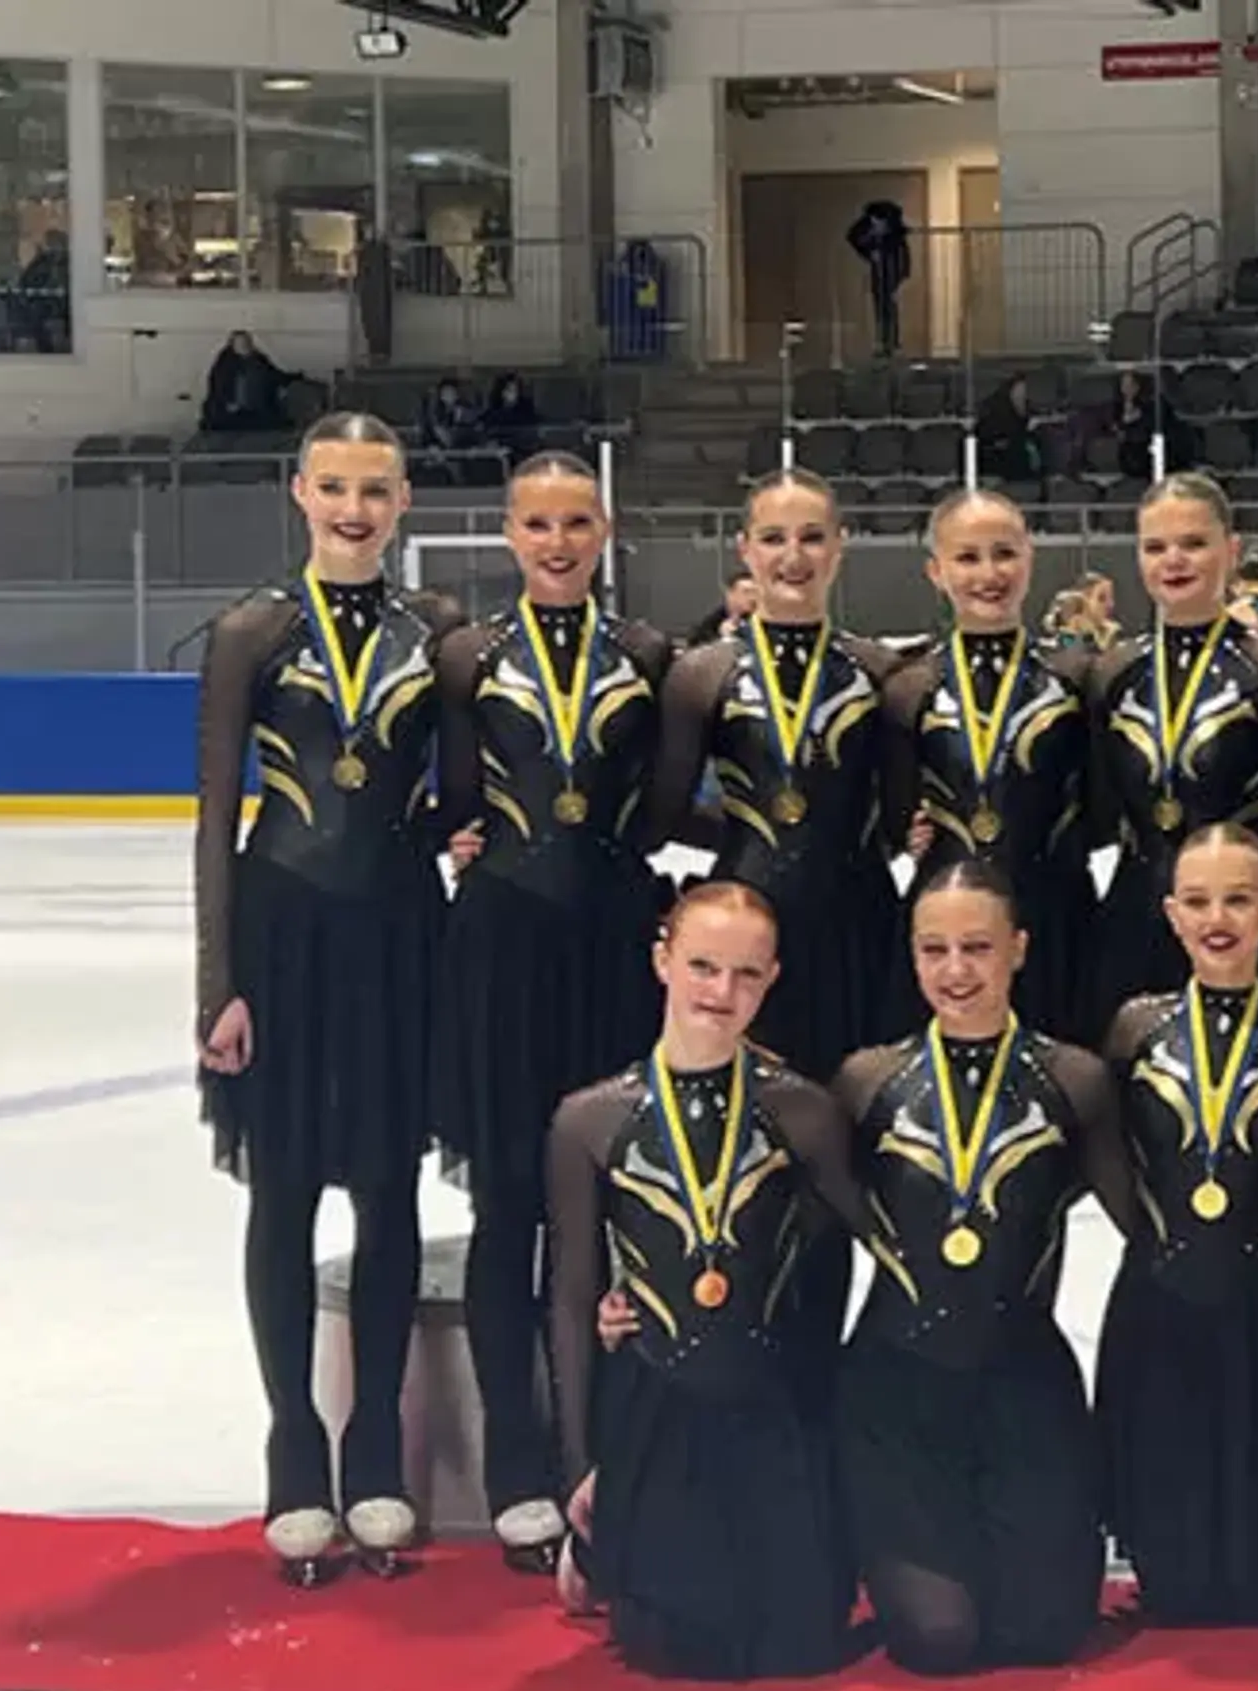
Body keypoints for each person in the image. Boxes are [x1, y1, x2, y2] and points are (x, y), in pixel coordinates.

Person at [193, 410, 462, 1585]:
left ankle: (377, 1456)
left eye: (378, 490)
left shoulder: (439, 633)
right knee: (288, 1194)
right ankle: (295, 1449)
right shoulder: (253, 631)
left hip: (403, 940)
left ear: (404, 503)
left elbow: (471, 784)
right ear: (298, 491)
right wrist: (220, 985)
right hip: (285, 937)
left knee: (391, 1194)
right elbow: (216, 822)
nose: (356, 509)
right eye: (336, 487)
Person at [429, 451, 674, 1572]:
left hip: (618, 950)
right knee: (509, 1211)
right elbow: (437, 794)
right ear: (509, 533)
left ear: (606, 528)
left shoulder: (651, 658)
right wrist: (444, 837)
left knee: (615, 1212)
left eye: (578, 521)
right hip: (502, 951)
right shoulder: (467, 659)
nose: (559, 541)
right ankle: (516, 1468)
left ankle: (608, 1443)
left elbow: (681, 801)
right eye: (538, 523)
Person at [546, 880, 886, 1680]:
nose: (721, 992)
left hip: (770, 1402)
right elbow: (568, 1297)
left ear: (772, 980)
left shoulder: (801, 1110)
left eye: (745, 974)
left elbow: (872, 1240)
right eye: (702, 965)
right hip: (658, 1403)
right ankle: (603, 1539)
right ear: (662, 959)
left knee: (798, 1648)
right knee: (670, 1652)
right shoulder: (592, 1119)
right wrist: (578, 1465)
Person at [828, 865, 1130, 1671]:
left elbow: (1149, 1224)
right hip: (898, 1394)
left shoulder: (1074, 1080)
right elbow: (809, 1232)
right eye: (935, 949)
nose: (955, 971)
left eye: (977, 948)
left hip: (1024, 1389)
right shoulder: (868, 1082)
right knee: (939, 1641)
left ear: (1018, 950)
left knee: (1042, 1636)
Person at [1096, 825, 1258, 1625]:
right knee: (1177, 1577)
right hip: (1158, 1299)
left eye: (1238, 898)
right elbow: (1116, 1162)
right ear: (1169, 913)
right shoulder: (1135, 1029)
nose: (1218, 918)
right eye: (1197, 901)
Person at [647, 470, 915, 1080]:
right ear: (744, 549)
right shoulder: (701, 674)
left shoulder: (880, 672)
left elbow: (898, 820)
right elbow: (661, 816)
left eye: (812, 538)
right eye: (773, 539)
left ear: (839, 545)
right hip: (742, 924)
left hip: (858, 924)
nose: (793, 557)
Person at [1082, 474, 1258, 1027]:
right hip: (1139, 909)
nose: (1174, 560)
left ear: (1232, 550)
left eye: (1194, 543)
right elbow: (1099, 801)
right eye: (1155, 547)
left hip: (1242, 908)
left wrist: (1255, 835)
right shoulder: (1112, 671)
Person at [891, 489, 1100, 1039]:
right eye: (967, 557)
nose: (989, 572)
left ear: (1029, 557)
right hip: (945, 921)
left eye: (1004, 553)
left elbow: (1107, 804)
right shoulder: (908, 685)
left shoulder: (1079, 677)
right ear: (936, 570)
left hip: (1056, 918)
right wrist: (904, 828)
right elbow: (884, 803)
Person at [846, 200, 911, 358]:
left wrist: (901, 279)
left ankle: (891, 342)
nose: (876, 224)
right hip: (880, 269)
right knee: (881, 304)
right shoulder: (866, 226)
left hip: (890, 270)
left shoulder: (895, 235)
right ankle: (883, 341)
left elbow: (903, 256)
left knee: (889, 305)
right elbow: (853, 237)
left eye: (879, 222)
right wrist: (869, 253)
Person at [202, 331, 290, 434]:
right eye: (240, 343)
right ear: (232, 345)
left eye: (246, 342)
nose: (244, 346)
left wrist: (285, 383)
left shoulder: (259, 359)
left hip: (258, 408)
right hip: (231, 411)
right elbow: (218, 386)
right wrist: (228, 402)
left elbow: (274, 374)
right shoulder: (224, 363)